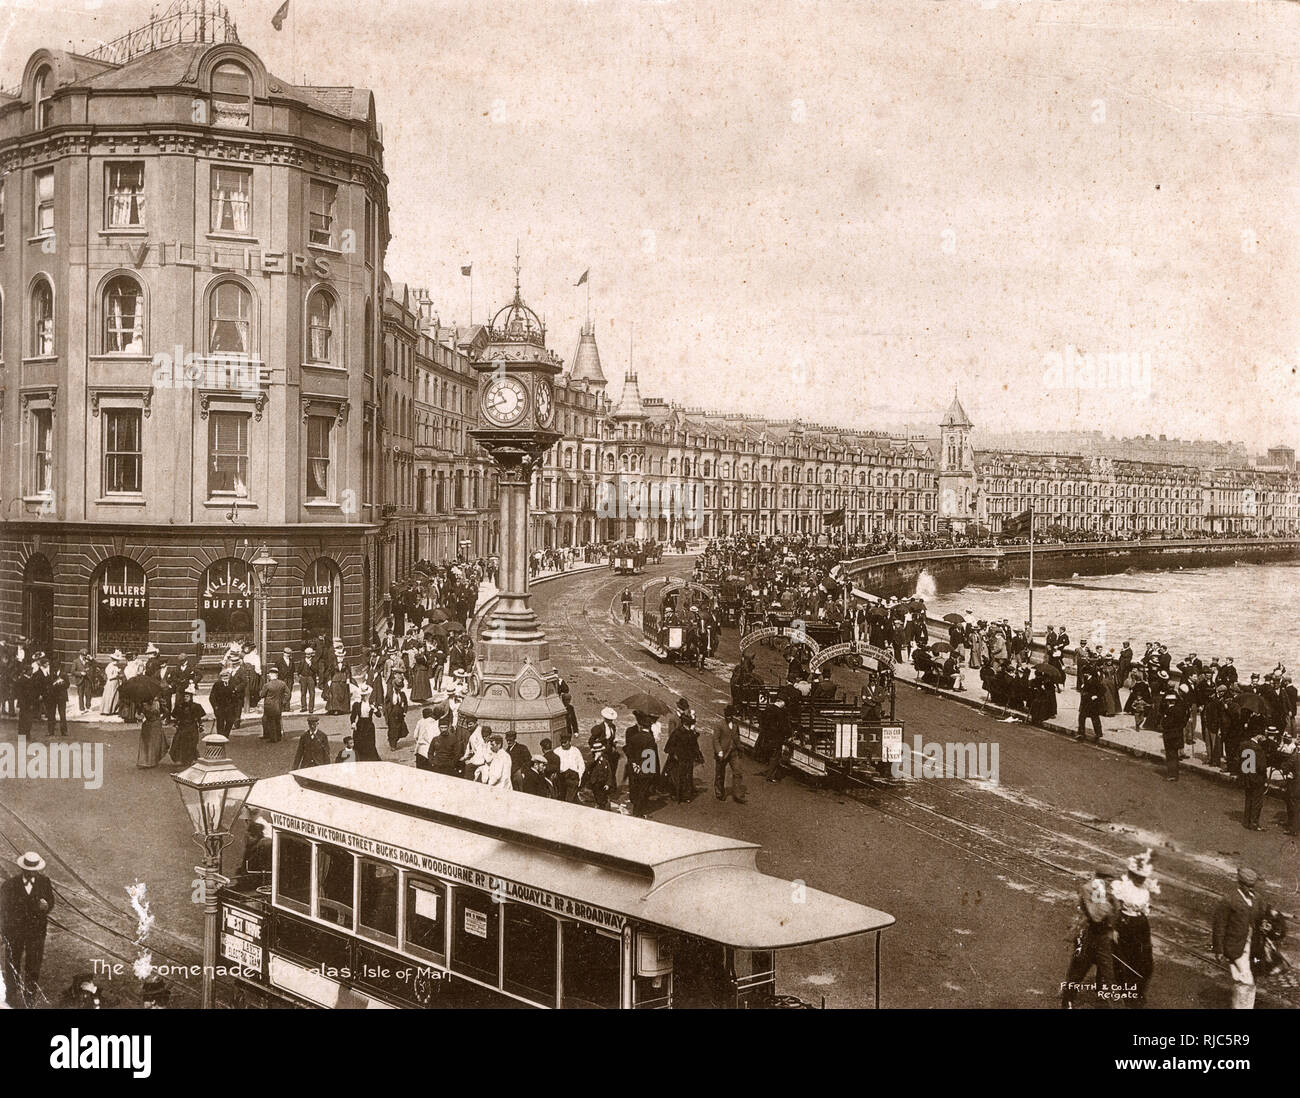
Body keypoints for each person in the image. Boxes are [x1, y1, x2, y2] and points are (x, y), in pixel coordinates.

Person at [1, 852, 56, 1008]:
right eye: (30, 870)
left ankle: (30, 997)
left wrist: (47, 906)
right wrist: (3, 932)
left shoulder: (44, 882)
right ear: (23, 869)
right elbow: (2, 910)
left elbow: (50, 901)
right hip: (15, 932)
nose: (33, 873)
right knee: (12, 963)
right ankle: (11, 995)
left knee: (33, 965)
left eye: (35, 870)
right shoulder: (10, 884)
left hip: (36, 933)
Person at [1061, 866, 1116, 1008]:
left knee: (1109, 974)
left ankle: (1113, 1004)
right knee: (1077, 972)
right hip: (1087, 935)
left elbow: (1114, 914)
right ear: (1100, 878)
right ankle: (1067, 1003)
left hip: (1103, 937)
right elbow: (1096, 916)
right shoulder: (1089, 889)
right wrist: (1109, 902)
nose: (1110, 884)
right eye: (1108, 880)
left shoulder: (1105, 891)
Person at [1110, 850, 1157, 1008]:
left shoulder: (1145, 888)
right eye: (1138, 876)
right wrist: (1114, 928)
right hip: (1125, 923)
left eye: (1143, 876)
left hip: (1141, 924)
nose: (1141, 879)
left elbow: (1145, 908)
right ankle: (1127, 994)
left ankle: (1138, 991)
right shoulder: (1122, 886)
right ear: (1131, 874)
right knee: (1125, 959)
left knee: (1145, 960)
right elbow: (1115, 908)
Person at [1213, 867, 1261, 1009]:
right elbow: (1219, 926)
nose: (1250, 889)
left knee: (1248, 980)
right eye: (1247, 886)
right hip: (1235, 947)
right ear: (1240, 883)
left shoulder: (1257, 899)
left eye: (1252, 886)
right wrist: (1218, 950)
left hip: (1252, 946)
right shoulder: (1229, 900)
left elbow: (1263, 915)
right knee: (1246, 981)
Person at [664, 701, 703, 803]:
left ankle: (684, 791)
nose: (686, 710)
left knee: (684, 772)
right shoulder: (674, 719)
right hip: (677, 750)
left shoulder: (686, 718)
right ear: (679, 708)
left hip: (684, 751)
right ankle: (674, 791)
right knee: (674, 772)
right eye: (684, 709)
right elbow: (671, 734)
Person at [625, 711, 660, 819]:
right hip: (646, 768)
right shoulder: (650, 739)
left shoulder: (634, 738)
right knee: (643, 790)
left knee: (636, 788)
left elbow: (629, 752)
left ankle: (636, 809)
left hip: (634, 767)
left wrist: (635, 765)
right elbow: (651, 756)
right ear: (649, 727)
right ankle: (638, 812)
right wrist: (652, 771)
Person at [713, 706, 747, 803]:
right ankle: (719, 793)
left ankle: (737, 795)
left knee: (737, 772)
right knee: (720, 774)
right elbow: (715, 740)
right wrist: (719, 751)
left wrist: (740, 748)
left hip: (733, 752)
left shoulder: (735, 725)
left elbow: (737, 737)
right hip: (722, 753)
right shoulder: (719, 725)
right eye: (727, 716)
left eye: (731, 716)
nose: (729, 718)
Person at [1240, 726, 1271, 831]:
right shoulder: (1258, 749)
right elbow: (1262, 767)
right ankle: (1254, 823)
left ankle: (1246, 821)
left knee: (1248, 799)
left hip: (1247, 776)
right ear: (1258, 736)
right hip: (1257, 778)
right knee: (1257, 801)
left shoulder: (1244, 745)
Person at [169, 686, 206, 768]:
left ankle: (191, 759)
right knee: (178, 742)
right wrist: (176, 723)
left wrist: (200, 725)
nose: (185, 698)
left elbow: (198, 717)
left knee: (191, 743)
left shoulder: (196, 706)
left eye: (187, 696)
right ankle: (180, 759)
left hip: (192, 727)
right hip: (182, 727)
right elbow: (177, 716)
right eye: (184, 696)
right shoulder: (180, 706)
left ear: (191, 697)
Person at [260, 667, 292, 743]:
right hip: (278, 705)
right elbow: (288, 694)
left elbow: (262, 695)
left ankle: (273, 738)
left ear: (271, 675)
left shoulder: (267, 685)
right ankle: (278, 736)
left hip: (269, 705)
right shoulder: (282, 683)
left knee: (270, 721)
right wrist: (284, 702)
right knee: (277, 720)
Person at [350, 685, 380, 761]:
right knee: (359, 743)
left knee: (369, 744)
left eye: (365, 695)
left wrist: (375, 709)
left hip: (369, 725)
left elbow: (379, 715)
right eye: (362, 695)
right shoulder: (357, 705)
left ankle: (370, 759)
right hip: (360, 725)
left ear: (368, 695)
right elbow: (353, 716)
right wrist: (353, 723)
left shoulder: (372, 705)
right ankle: (359, 759)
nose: (364, 697)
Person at [554, 731, 586, 802]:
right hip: (561, 778)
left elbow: (581, 766)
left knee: (570, 799)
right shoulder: (557, 751)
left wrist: (579, 777)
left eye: (565, 742)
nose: (563, 744)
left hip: (573, 779)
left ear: (569, 741)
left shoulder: (576, 751)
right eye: (562, 742)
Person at [209, 667, 241, 737]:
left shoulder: (232, 684)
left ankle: (226, 736)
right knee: (220, 723)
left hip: (230, 707)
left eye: (226, 676)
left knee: (230, 722)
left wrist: (235, 706)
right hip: (220, 707)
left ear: (229, 676)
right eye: (223, 676)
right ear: (221, 677)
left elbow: (236, 696)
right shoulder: (217, 685)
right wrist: (215, 707)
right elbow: (212, 697)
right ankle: (220, 737)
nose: (225, 677)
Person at [136, 699, 169, 769]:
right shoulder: (144, 705)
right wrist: (139, 711)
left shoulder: (157, 703)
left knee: (153, 743)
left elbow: (166, 711)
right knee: (148, 743)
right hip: (149, 726)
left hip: (155, 725)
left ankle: (151, 761)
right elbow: (139, 716)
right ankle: (149, 761)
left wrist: (161, 719)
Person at [43, 659, 69, 737]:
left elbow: (67, 684)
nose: (55, 668)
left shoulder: (63, 674)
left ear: (59, 667)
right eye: (54, 666)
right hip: (52, 697)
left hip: (61, 697)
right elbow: (48, 684)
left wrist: (61, 683)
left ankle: (64, 731)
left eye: (56, 666)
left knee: (62, 714)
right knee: (51, 714)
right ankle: (50, 731)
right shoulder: (50, 674)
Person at [384, 673, 409, 749]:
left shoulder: (402, 694)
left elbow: (406, 704)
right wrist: (386, 713)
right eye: (397, 688)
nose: (398, 689)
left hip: (400, 713)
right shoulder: (390, 694)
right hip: (392, 713)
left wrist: (404, 712)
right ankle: (393, 745)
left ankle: (393, 739)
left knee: (400, 729)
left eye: (399, 688)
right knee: (392, 729)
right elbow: (385, 703)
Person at [413, 706, 440, 771]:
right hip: (429, 751)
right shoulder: (434, 722)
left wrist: (418, 741)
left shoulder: (420, 722)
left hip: (419, 750)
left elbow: (415, 735)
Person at [297, 647, 318, 714]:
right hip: (303, 677)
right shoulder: (302, 660)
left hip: (311, 678)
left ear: (311, 654)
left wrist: (311, 665)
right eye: (306, 654)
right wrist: (299, 675)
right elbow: (299, 669)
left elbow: (316, 670)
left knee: (312, 693)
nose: (307, 655)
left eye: (309, 654)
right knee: (303, 693)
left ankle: (311, 708)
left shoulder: (314, 660)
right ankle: (304, 707)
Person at [71, 648, 92, 715]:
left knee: (88, 694)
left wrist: (91, 659)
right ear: (80, 655)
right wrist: (80, 673)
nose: (84, 657)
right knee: (81, 695)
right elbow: (73, 672)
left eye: (85, 655)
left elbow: (95, 665)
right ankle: (82, 708)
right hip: (80, 680)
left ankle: (88, 707)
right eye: (83, 655)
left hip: (87, 680)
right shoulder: (76, 661)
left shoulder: (88, 661)